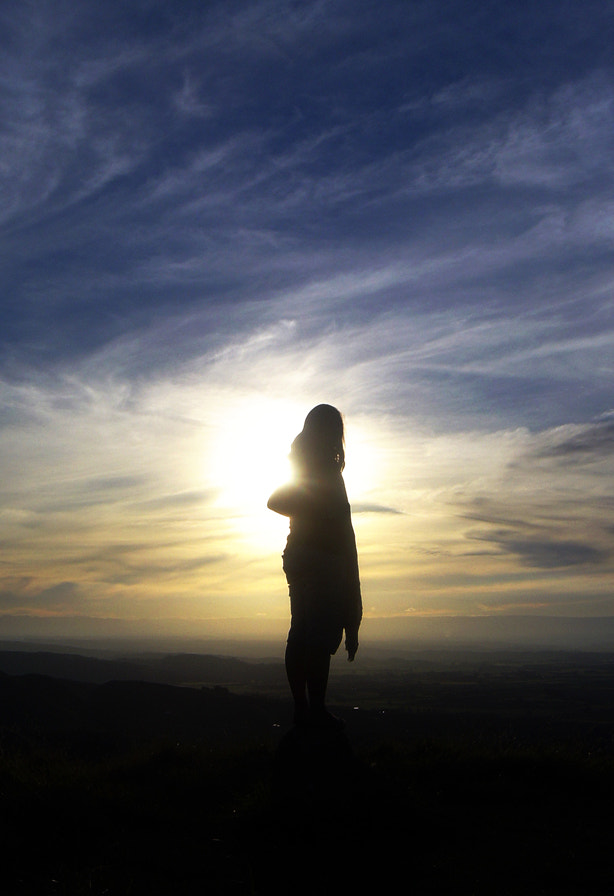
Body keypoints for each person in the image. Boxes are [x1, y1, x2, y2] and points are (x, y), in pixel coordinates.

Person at [268, 404, 362, 728]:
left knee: (301, 633)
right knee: (318, 639)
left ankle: (301, 709)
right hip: (321, 560)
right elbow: (345, 534)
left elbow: (276, 501)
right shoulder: (326, 473)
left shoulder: (303, 467)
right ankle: (316, 711)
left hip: (297, 557)